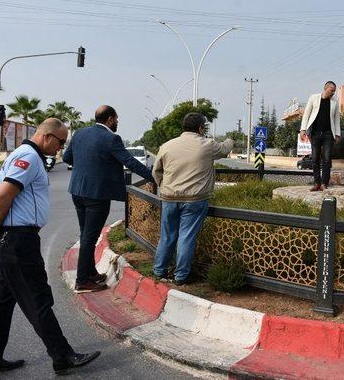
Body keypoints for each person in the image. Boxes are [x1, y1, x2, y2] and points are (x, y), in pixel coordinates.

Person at [0, 118, 100, 375]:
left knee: (2, 300)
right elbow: (2, 196)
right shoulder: (29, 157)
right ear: (47, 136)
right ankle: (62, 355)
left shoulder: (27, 156)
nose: (61, 148)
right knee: (38, 299)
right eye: (60, 141)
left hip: (13, 239)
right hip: (18, 242)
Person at [63, 105, 155, 293]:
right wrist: (154, 176)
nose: (118, 123)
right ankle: (82, 281)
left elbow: (66, 157)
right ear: (110, 119)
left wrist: (86, 166)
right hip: (97, 194)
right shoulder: (111, 138)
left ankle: (90, 273)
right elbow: (129, 162)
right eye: (117, 120)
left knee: (86, 234)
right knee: (90, 236)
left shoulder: (80, 133)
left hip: (77, 191)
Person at [152, 113, 233, 285]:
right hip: (195, 200)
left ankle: (159, 271)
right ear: (200, 128)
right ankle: (181, 276)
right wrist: (230, 140)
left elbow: (156, 171)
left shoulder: (167, 146)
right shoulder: (207, 145)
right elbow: (225, 149)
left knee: (167, 236)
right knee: (186, 237)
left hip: (168, 198)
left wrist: (165, 186)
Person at [299, 81, 341, 191]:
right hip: (315, 133)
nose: (333, 92)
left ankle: (324, 183)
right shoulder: (313, 98)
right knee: (315, 158)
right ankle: (317, 183)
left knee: (327, 159)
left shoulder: (335, 102)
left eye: (334, 91)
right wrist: (303, 129)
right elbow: (306, 114)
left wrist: (337, 134)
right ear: (325, 88)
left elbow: (337, 119)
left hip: (328, 133)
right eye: (332, 90)